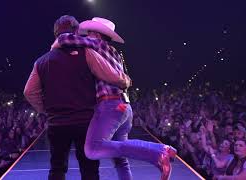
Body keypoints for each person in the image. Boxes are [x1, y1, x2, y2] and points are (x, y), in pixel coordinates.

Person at [53, 17, 177, 180]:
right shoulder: (115, 53)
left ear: (97, 35)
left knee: (92, 149)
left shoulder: (97, 45)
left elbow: (63, 39)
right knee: (120, 158)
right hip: (124, 107)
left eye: (89, 33)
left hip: (110, 105)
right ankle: (158, 155)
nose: (86, 36)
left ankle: (160, 150)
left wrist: (55, 47)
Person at [24, 15, 131, 180]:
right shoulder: (87, 54)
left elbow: (29, 92)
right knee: (89, 170)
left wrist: (44, 109)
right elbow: (112, 76)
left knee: (57, 169)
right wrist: (125, 80)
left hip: (57, 122)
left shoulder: (41, 62)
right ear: (75, 33)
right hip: (85, 122)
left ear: (55, 34)